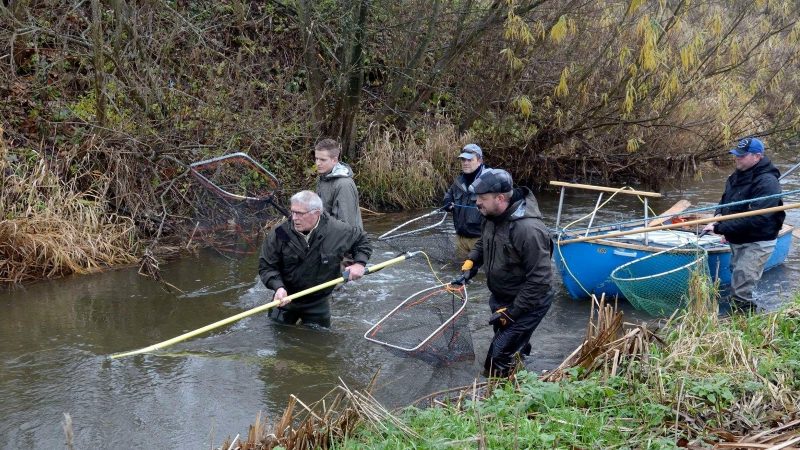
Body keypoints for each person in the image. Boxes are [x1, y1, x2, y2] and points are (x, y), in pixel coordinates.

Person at [458, 168, 554, 377]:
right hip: (503, 297)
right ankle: (522, 371)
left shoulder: (528, 230)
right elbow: (484, 242)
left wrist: (512, 314)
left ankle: (502, 398)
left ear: (500, 198)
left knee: (496, 358)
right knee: (510, 344)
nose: (477, 202)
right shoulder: (491, 215)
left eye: (482, 198)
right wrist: (470, 264)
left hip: (529, 303)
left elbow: (541, 280)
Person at [258, 190, 372, 328]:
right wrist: (278, 287)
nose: (294, 218)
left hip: (318, 302)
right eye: (293, 212)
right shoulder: (280, 233)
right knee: (278, 338)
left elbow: (362, 240)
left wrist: (359, 263)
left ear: (316, 213)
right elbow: (267, 267)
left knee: (320, 344)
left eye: (300, 213)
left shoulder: (336, 230)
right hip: (285, 300)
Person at [702, 137, 785, 310]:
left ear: (757, 156)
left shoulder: (768, 182)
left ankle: (744, 323)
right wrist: (719, 216)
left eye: (742, 155)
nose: (737, 158)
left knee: (741, 286)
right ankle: (749, 309)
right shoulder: (735, 176)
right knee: (737, 274)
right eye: (736, 154)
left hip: (758, 240)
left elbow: (757, 219)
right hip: (737, 237)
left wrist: (719, 228)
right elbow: (725, 201)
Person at [443, 143, 489, 258]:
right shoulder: (458, 181)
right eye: (463, 159)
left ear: (479, 161)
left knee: (481, 273)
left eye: (469, 160)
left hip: (481, 239)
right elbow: (449, 195)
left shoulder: (489, 180)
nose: (465, 163)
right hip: (461, 238)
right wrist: (447, 202)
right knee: (460, 270)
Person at [315, 139, 363, 230]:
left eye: (322, 160)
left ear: (334, 160)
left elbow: (347, 226)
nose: (318, 163)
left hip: (345, 240)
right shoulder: (322, 178)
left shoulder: (344, 185)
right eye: (316, 158)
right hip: (326, 235)